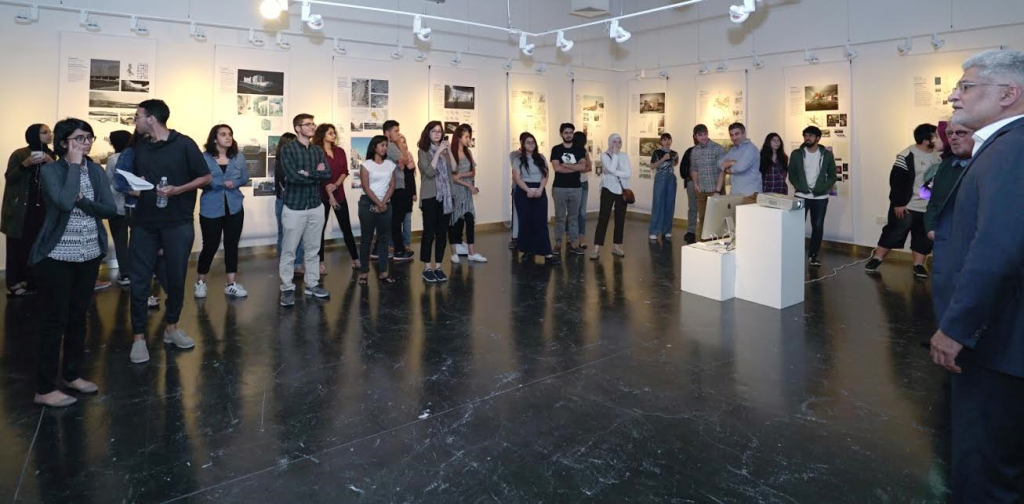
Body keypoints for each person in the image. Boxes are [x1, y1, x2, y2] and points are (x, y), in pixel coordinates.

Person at [928, 49, 1024, 503]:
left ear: (1008, 93)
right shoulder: (1004, 146)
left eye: (966, 87)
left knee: (985, 467)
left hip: (995, 342)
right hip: (998, 336)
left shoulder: (1012, 148)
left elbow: (998, 250)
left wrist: (956, 328)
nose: (954, 96)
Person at [29, 117, 117, 406]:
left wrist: (84, 202)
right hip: (57, 255)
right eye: (79, 138)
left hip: (89, 254)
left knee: (79, 317)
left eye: (89, 137)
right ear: (64, 142)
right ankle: (44, 389)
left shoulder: (96, 170)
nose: (86, 143)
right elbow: (65, 202)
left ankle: (72, 375)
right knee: (55, 320)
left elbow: (108, 209)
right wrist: (75, 167)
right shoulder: (52, 170)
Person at [128, 99, 211, 364]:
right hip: (144, 223)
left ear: (151, 118)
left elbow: (205, 177)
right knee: (139, 281)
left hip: (177, 223)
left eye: (138, 116)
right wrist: (135, 186)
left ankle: (171, 328)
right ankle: (138, 338)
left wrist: (178, 190)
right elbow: (135, 179)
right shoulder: (140, 146)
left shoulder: (184, 144)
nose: (135, 120)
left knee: (175, 279)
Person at [865, 123, 942, 277]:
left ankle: (919, 265)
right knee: (894, 232)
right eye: (936, 136)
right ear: (926, 140)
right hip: (907, 205)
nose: (939, 138)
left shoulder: (938, 156)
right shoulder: (906, 155)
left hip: (928, 206)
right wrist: (898, 203)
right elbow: (896, 181)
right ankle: (877, 258)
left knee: (923, 237)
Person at [278, 114, 333, 306]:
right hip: (294, 207)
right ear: (297, 128)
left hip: (315, 206)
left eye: (313, 124)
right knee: (289, 250)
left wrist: (308, 173)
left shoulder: (317, 150)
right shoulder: (288, 149)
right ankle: (287, 288)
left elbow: (327, 173)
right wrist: (315, 173)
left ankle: (312, 284)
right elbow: (293, 177)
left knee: (313, 249)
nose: (312, 127)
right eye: (307, 124)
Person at [924, 121, 974, 316]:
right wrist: (930, 227)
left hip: (970, 243)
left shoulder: (985, 166)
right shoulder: (946, 165)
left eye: (960, 132)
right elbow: (934, 201)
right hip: (944, 242)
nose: (953, 137)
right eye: (949, 133)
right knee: (945, 295)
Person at [195, 124, 249, 299]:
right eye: (223, 134)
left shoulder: (238, 157)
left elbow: (245, 177)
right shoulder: (203, 158)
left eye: (230, 134)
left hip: (234, 206)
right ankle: (200, 282)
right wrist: (214, 183)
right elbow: (198, 181)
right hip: (211, 207)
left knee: (232, 245)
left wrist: (236, 183)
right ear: (214, 138)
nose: (228, 137)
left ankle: (231, 284)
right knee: (210, 245)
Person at [3, 124, 54, 297]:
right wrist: (26, 164)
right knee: (17, 246)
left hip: (43, 207)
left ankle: (31, 280)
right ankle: (14, 283)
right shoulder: (20, 154)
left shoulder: (51, 154)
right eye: (45, 132)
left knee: (37, 245)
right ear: (34, 135)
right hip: (22, 208)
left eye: (50, 132)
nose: (49, 135)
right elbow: (10, 178)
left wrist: (51, 162)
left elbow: (58, 179)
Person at [314, 123, 359, 274]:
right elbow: (318, 174)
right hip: (322, 196)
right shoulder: (316, 152)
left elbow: (344, 171)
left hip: (339, 194)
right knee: (319, 230)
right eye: (330, 133)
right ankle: (320, 262)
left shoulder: (339, 151)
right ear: (322, 135)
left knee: (346, 227)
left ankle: (355, 258)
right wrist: (329, 190)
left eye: (334, 133)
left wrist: (336, 185)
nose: (334, 135)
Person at [788, 126, 836, 268]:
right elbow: (792, 174)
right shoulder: (796, 154)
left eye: (810, 135)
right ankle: (794, 254)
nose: (807, 138)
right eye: (805, 135)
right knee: (797, 226)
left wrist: (823, 187)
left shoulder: (827, 155)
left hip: (820, 197)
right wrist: (799, 186)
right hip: (801, 195)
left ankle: (813, 256)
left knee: (818, 226)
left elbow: (832, 175)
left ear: (818, 138)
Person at [417, 121, 455, 283]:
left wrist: (448, 151)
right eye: (434, 131)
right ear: (428, 133)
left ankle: (438, 266)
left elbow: (453, 169)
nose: (437, 134)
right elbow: (430, 172)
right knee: (429, 233)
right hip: (430, 197)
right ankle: (427, 267)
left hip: (446, 197)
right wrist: (438, 152)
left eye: (439, 131)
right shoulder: (423, 152)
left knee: (442, 233)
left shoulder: (445, 151)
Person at [512, 132, 558, 265]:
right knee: (525, 222)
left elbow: (545, 175)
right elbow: (517, 177)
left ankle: (547, 253)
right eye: (528, 142)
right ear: (523, 144)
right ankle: (528, 251)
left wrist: (540, 189)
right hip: (523, 191)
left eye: (533, 142)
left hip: (539, 190)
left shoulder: (541, 157)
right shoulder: (518, 159)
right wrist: (527, 190)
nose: (531, 144)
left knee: (541, 222)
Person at [357, 135, 397, 285]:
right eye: (382, 145)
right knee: (366, 238)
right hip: (368, 203)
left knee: (384, 239)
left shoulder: (390, 164)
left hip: (386, 203)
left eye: (386, 145)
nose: (385, 148)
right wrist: (379, 203)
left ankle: (383, 271)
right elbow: (366, 187)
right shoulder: (366, 165)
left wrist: (383, 203)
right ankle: (364, 272)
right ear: (374, 147)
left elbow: (392, 185)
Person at [448, 124, 487, 264]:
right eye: (466, 137)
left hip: (466, 193)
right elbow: (452, 178)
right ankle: (455, 251)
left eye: (469, 137)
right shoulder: (450, 153)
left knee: (470, 219)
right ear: (459, 137)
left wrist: (460, 175)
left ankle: (471, 252)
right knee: (455, 221)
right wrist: (468, 184)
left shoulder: (468, 152)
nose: (469, 139)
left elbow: (472, 172)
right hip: (456, 192)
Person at [550, 123, 587, 256]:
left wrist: (565, 164)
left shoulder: (579, 149)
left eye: (571, 132)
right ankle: (558, 243)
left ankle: (574, 244)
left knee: (573, 217)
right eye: (566, 133)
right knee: (560, 217)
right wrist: (574, 166)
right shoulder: (556, 149)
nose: (569, 135)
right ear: (561, 134)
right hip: (559, 188)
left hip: (576, 188)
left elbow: (583, 167)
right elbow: (557, 168)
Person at [592, 133, 630, 259]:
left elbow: (627, 173)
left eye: (619, 142)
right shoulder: (604, 155)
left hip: (622, 190)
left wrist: (611, 172)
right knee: (603, 218)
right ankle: (596, 248)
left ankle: (616, 247)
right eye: (614, 142)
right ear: (610, 142)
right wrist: (615, 155)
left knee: (620, 219)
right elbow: (613, 168)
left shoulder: (624, 155)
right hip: (608, 189)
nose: (617, 144)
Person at [383, 120, 415, 262]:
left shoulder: (388, 146)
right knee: (396, 220)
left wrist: (401, 161)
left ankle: (396, 249)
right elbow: (405, 159)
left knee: (396, 219)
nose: (398, 133)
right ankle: (399, 251)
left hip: (397, 185)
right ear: (387, 132)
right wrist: (399, 144)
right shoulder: (390, 145)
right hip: (396, 187)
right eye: (396, 131)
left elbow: (403, 163)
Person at [688, 124, 726, 241]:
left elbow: (722, 170)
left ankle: (718, 246)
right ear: (695, 136)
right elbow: (694, 169)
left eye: (705, 134)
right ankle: (704, 244)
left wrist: (717, 191)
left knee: (718, 221)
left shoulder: (718, 148)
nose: (703, 137)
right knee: (703, 219)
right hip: (701, 192)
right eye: (700, 135)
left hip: (715, 191)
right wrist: (695, 184)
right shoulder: (694, 151)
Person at [105, 130, 132, 286]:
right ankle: (149, 270)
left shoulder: (113, 159)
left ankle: (126, 274)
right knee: (140, 239)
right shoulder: (135, 157)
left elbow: (108, 180)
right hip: (134, 205)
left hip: (115, 205)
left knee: (120, 241)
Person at [273, 133, 304, 272]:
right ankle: (285, 265)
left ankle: (297, 264)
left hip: (298, 201)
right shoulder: (281, 162)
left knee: (299, 234)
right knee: (284, 234)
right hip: (284, 201)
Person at [718, 122, 761, 202]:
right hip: (735, 194)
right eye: (731, 135)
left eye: (737, 134)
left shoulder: (751, 148)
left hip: (749, 194)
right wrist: (732, 162)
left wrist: (728, 168)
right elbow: (720, 163)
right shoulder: (733, 149)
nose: (734, 137)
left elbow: (740, 167)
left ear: (744, 134)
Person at [648, 132, 679, 240]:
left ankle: (667, 230)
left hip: (671, 178)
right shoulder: (657, 152)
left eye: (669, 139)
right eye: (665, 139)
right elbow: (652, 166)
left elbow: (675, 164)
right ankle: (654, 231)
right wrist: (663, 159)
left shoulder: (675, 153)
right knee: (658, 204)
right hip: (660, 177)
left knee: (670, 204)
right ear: (661, 141)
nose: (667, 142)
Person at [573, 131, 593, 250]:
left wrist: (576, 169)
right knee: (572, 211)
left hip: (583, 183)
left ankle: (581, 238)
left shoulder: (584, 152)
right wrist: (578, 168)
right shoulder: (570, 151)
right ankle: (570, 234)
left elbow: (589, 167)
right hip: (572, 184)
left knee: (582, 212)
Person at [396, 133, 417, 252]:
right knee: (397, 220)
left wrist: (414, 192)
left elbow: (411, 176)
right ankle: (395, 244)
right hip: (398, 192)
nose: (403, 144)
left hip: (408, 192)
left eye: (404, 141)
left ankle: (407, 243)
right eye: (400, 141)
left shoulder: (409, 155)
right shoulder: (394, 156)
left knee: (407, 220)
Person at [508, 133, 528, 251]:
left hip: (530, 187)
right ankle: (515, 238)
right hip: (517, 187)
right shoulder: (514, 154)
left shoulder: (535, 155)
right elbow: (518, 169)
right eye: (525, 142)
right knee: (516, 213)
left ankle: (528, 237)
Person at [678, 135, 698, 244]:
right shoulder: (689, 151)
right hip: (691, 183)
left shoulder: (709, 151)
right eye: (695, 137)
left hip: (705, 184)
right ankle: (691, 231)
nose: (697, 140)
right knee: (692, 208)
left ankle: (706, 231)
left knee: (705, 209)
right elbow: (682, 168)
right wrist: (688, 177)